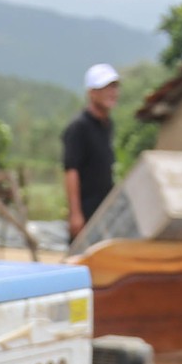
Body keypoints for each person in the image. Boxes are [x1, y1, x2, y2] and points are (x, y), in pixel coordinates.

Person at [63, 63, 121, 244]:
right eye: (104, 88)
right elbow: (71, 171)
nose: (111, 92)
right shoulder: (79, 127)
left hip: (103, 212)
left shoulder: (107, 125)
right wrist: (75, 214)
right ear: (92, 92)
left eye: (113, 87)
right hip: (86, 211)